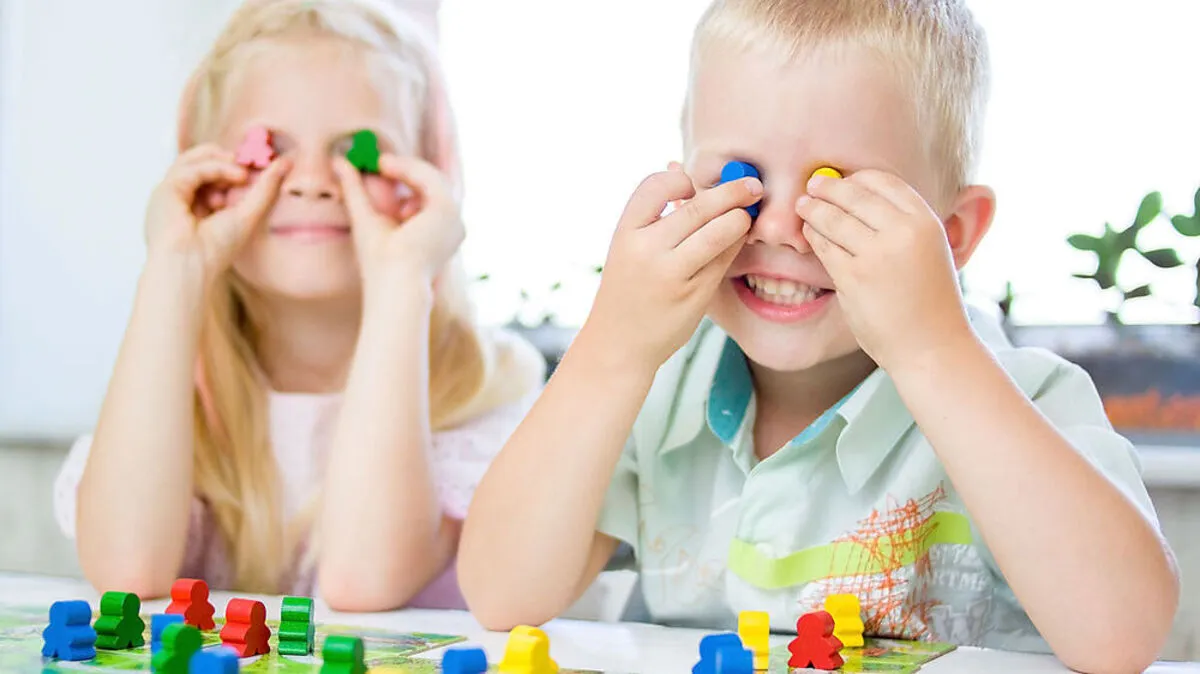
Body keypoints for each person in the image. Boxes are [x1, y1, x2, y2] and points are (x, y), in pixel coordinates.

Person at [459, 1, 1178, 670]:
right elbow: (500, 594)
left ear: (952, 234)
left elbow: (1120, 637)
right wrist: (610, 350)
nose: (778, 228)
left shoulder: (1023, 395)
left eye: (838, 191)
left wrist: (932, 352)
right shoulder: (652, 382)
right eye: (741, 179)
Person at [54, 0, 543, 612]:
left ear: (429, 182)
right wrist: (176, 267)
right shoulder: (173, 391)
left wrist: (401, 278)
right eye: (267, 150)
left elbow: (363, 582)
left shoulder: (485, 393)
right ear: (201, 179)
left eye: (358, 152)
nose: (311, 181)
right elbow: (126, 572)